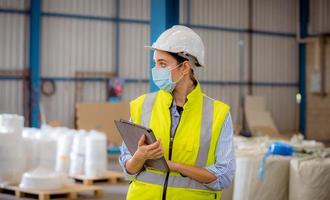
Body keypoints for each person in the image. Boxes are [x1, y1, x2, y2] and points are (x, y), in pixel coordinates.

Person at [119, 25, 235, 200]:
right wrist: (140, 157)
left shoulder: (218, 113)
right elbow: (128, 168)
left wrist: (175, 166)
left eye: (163, 64)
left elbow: (223, 176)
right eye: (155, 63)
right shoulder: (142, 105)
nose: (156, 70)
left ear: (185, 67)